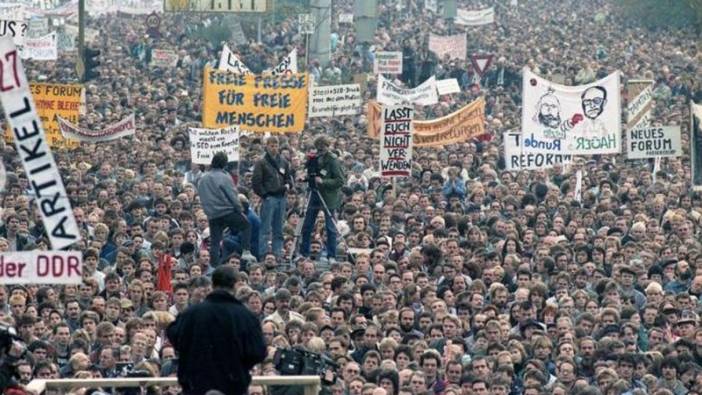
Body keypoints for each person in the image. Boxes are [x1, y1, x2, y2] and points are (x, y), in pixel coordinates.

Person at [167, 265, 266, 395]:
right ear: (236, 285)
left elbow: (174, 335)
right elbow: (258, 352)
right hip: (233, 384)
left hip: (196, 384)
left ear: (213, 284)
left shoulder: (191, 314)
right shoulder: (245, 316)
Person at [197, 152, 255, 266]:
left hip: (213, 215)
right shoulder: (224, 176)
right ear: (224, 163)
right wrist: (240, 210)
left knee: (215, 242)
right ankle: (246, 251)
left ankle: (214, 265)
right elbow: (232, 195)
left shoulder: (202, 179)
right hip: (227, 211)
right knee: (246, 225)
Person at [300, 136, 345, 261]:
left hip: (328, 197)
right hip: (314, 193)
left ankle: (332, 255)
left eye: (323, 146)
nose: (320, 149)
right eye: (318, 146)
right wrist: (305, 177)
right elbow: (310, 173)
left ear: (328, 146)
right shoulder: (314, 158)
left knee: (330, 227)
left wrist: (323, 181)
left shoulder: (333, 160)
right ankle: (304, 252)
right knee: (307, 224)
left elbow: (340, 180)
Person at [252, 136, 291, 259]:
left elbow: (288, 178)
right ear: (267, 146)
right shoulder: (261, 162)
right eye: (271, 146)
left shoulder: (284, 162)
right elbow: (256, 182)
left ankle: (277, 254)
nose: (274, 148)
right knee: (265, 228)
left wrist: (288, 186)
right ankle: (263, 254)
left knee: (278, 229)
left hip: (281, 197)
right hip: (269, 198)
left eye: (276, 145)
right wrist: (265, 195)